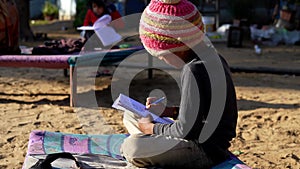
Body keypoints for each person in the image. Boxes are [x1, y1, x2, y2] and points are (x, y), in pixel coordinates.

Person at [120, 0, 238, 168]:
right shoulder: (214, 57)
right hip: (202, 138)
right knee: (130, 115)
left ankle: (148, 142)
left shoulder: (193, 70)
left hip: (203, 149)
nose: (162, 59)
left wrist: (151, 129)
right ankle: (150, 140)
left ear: (180, 47)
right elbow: (199, 114)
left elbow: (185, 131)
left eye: (162, 55)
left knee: (131, 147)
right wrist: (171, 111)